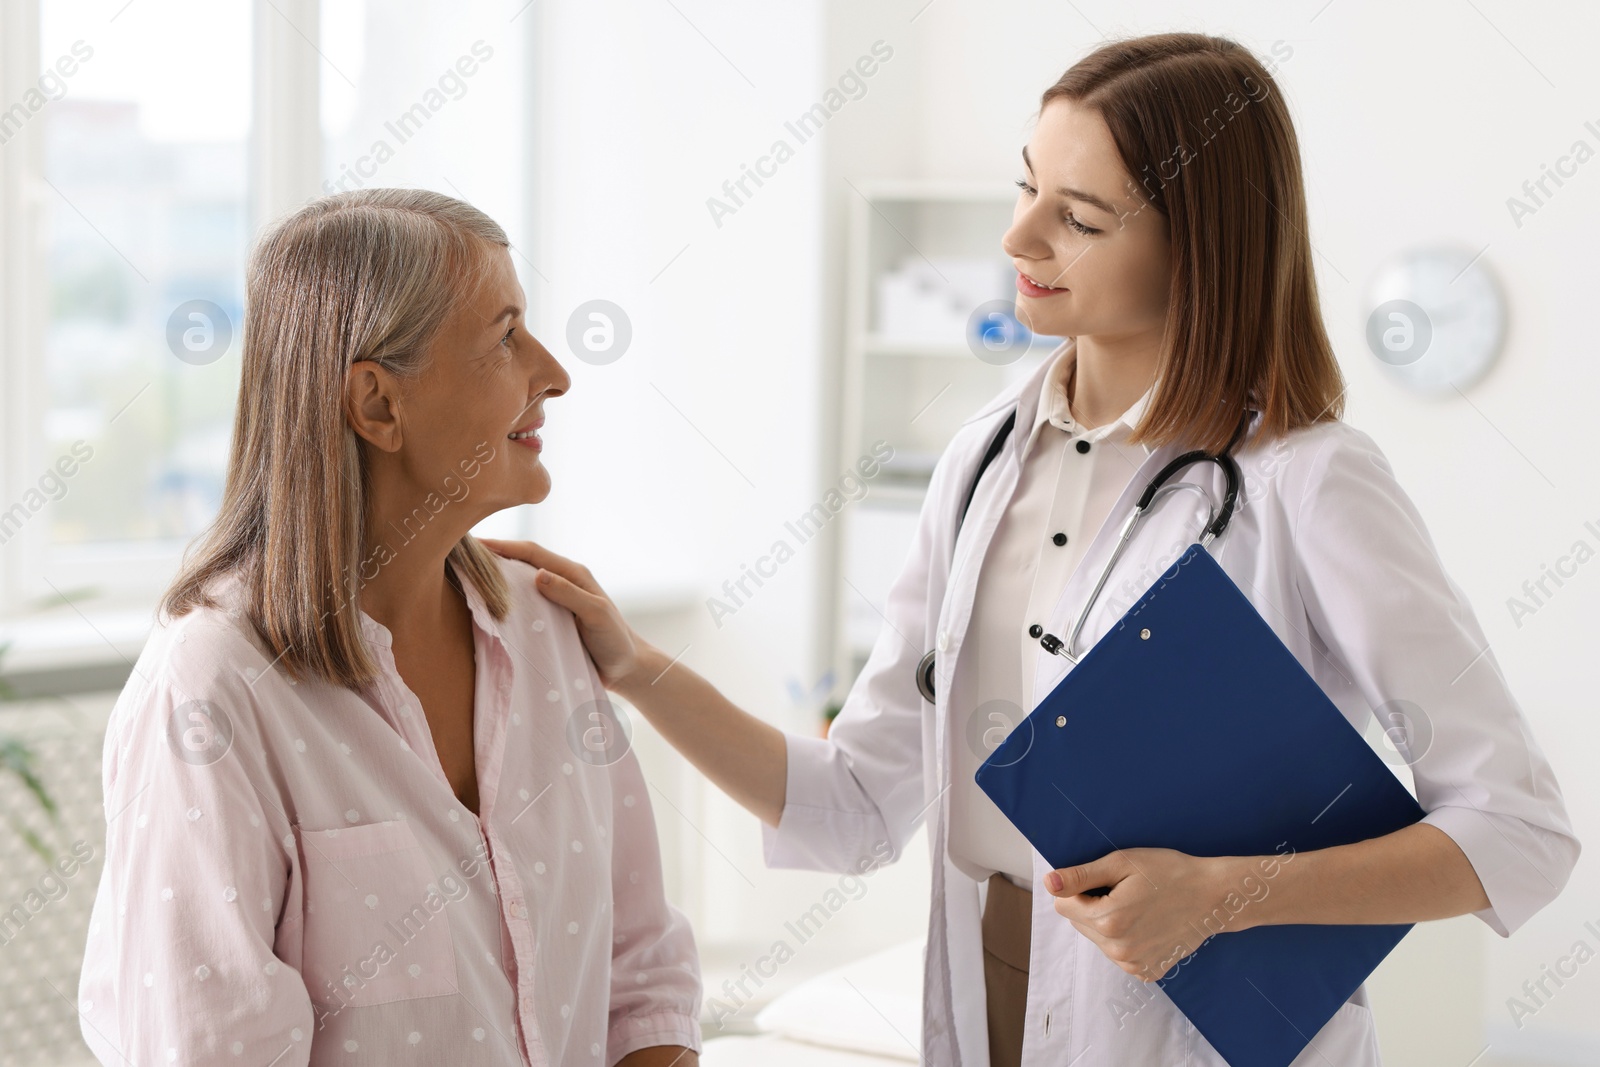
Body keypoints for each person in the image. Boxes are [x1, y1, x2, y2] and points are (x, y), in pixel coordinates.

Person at [486, 32, 1580, 1067]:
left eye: (1081, 217)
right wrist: (635, 666)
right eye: (1024, 187)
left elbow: (1517, 829)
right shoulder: (977, 464)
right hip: (986, 985)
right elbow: (858, 800)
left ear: (1199, 244)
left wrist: (1218, 896)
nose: (1016, 238)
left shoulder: (1308, 479)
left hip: (1189, 1017)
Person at [77, 189, 702, 1066]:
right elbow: (213, 1049)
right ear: (377, 405)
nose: (553, 371)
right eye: (504, 337)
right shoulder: (213, 689)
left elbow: (641, 977)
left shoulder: (547, 626)